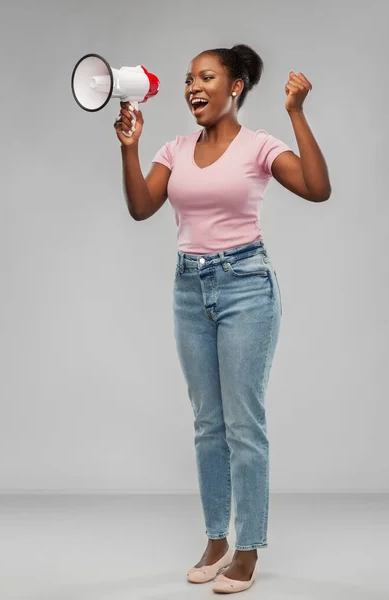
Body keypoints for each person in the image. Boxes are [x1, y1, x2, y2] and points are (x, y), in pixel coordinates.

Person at [114, 44, 331, 594]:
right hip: (189, 288)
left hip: (246, 286)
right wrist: (131, 148)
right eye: (189, 79)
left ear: (235, 87)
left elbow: (316, 188)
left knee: (243, 425)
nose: (193, 87)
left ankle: (248, 547)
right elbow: (142, 207)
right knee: (208, 423)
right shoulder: (174, 148)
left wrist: (297, 114)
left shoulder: (260, 146)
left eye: (206, 77)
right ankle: (216, 538)